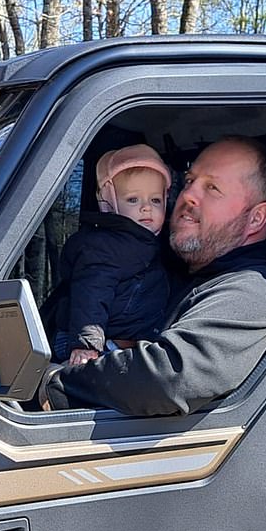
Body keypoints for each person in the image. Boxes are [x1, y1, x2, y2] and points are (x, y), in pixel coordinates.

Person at [41, 136, 266, 415]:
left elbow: (170, 377)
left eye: (212, 187)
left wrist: (57, 383)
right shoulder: (162, 262)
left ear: (256, 218)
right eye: (189, 181)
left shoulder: (256, 292)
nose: (188, 195)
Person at [47, 144, 172, 366]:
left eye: (155, 200)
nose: (146, 208)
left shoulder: (148, 246)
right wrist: (86, 344)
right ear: (108, 202)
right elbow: (91, 292)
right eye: (133, 199)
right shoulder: (106, 246)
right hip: (97, 344)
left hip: (117, 342)